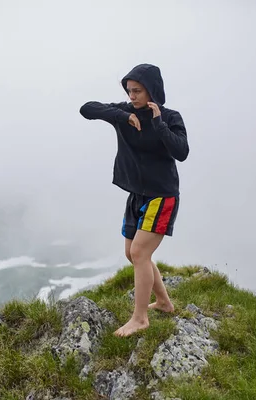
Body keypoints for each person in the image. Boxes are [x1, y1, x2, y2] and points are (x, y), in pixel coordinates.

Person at [79, 63, 189, 337]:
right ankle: (164, 302)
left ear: (152, 90)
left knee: (140, 253)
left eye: (137, 91)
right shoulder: (125, 111)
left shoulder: (170, 117)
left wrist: (158, 124)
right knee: (132, 254)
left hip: (162, 195)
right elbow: (87, 108)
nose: (132, 97)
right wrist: (121, 115)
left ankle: (140, 318)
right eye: (129, 91)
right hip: (136, 194)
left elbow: (182, 151)